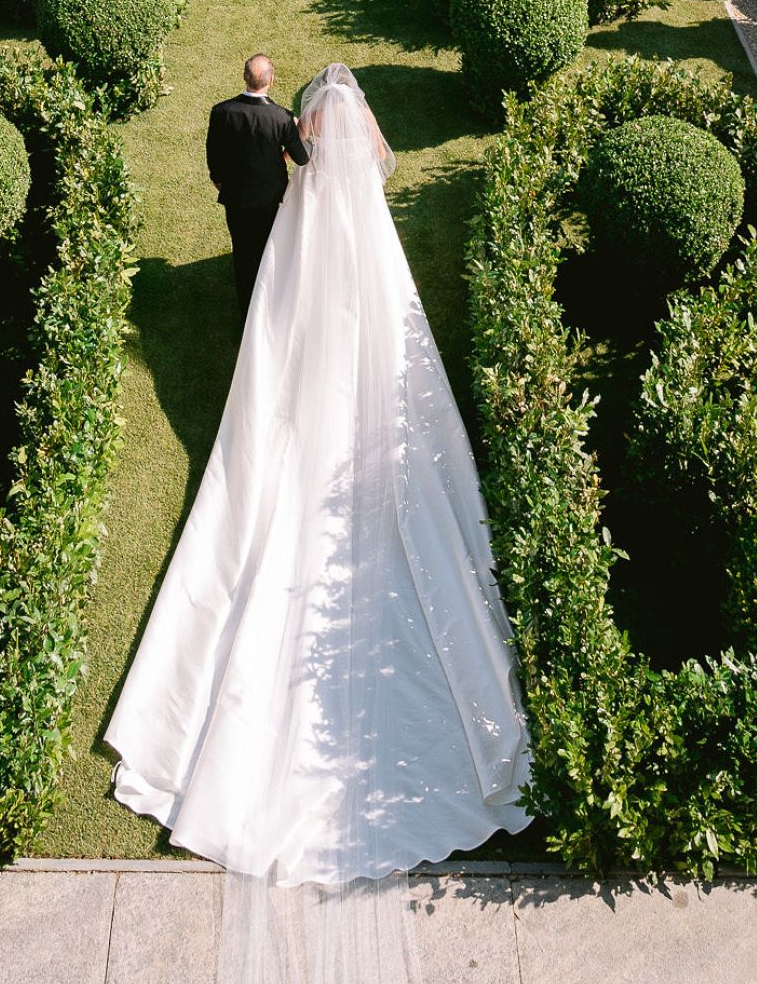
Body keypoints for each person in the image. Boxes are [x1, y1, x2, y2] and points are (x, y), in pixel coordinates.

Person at [106, 62, 530, 884]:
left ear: (314, 111)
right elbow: (382, 161)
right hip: (363, 236)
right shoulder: (361, 145)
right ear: (357, 109)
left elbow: (309, 158)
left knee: (292, 318)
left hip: (316, 224)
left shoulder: (302, 143)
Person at [205, 54, 309, 316]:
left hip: (235, 197)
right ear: (271, 80)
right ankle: (270, 309)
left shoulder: (221, 111)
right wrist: (292, 136)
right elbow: (302, 157)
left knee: (242, 253)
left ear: (244, 77)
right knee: (269, 250)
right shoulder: (282, 117)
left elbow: (213, 152)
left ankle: (247, 313)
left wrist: (219, 180)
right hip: (270, 199)